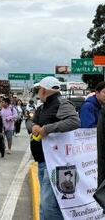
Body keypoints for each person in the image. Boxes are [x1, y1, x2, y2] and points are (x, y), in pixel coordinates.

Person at [28, 77, 79, 220]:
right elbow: (29, 121)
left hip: (56, 163)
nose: (38, 92)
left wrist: (47, 129)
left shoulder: (61, 103)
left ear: (44, 90)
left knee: (49, 206)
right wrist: (34, 127)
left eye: (39, 89)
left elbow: (74, 121)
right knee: (46, 205)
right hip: (43, 161)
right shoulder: (42, 107)